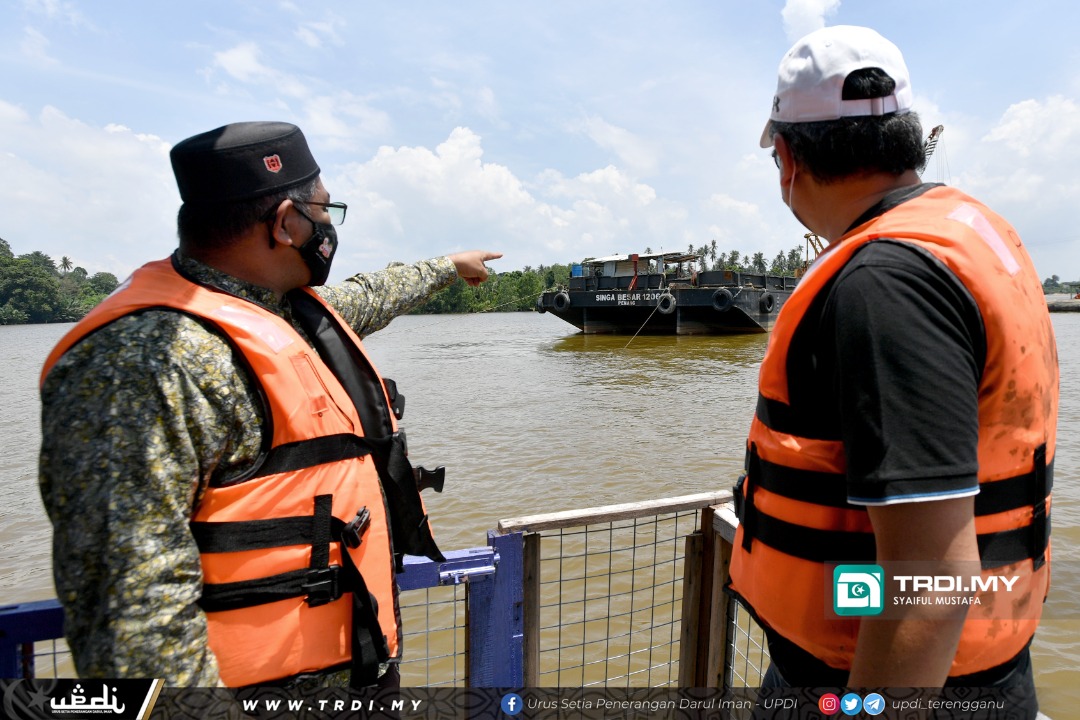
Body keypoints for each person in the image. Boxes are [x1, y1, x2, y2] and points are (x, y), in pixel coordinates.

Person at [38, 121, 502, 688]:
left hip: (352, 670)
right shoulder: (143, 363)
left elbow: (371, 293)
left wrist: (447, 266)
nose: (330, 226)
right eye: (327, 210)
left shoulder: (281, 309)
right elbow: (134, 616)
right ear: (287, 223)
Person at [728, 25, 1058, 710]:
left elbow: (934, 576)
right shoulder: (970, 233)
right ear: (909, 139)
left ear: (787, 158)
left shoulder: (885, 283)